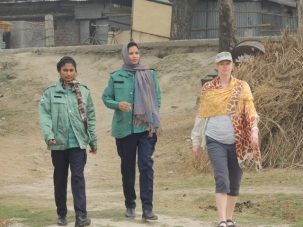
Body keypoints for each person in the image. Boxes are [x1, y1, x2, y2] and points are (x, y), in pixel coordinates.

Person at [191, 52, 261, 227]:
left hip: (238, 141)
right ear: (216, 66)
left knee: (235, 180)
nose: (224, 66)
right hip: (215, 139)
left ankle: (229, 219)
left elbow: (250, 109)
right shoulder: (208, 88)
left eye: (227, 63)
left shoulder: (242, 86)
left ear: (232, 66)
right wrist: (195, 140)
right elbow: (201, 115)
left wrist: (254, 129)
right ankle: (221, 220)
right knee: (222, 178)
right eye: (221, 64)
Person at [102, 41, 161, 220]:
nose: (134, 56)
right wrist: (117, 104)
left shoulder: (150, 75)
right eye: (131, 53)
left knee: (146, 165)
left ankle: (147, 209)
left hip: (145, 129)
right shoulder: (116, 76)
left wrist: (149, 114)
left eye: (136, 52)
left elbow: (157, 97)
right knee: (127, 168)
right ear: (125, 55)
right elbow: (106, 97)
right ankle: (130, 205)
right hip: (124, 130)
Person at [39, 56, 97, 227]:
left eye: (71, 70)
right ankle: (62, 214)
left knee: (78, 178)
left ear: (75, 71)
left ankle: (81, 216)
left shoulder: (84, 92)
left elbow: (91, 118)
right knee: (60, 178)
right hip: (58, 143)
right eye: (65, 70)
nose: (69, 73)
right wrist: (49, 136)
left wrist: (93, 141)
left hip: (78, 143)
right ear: (59, 71)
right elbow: (45, 117)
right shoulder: (50, 93)